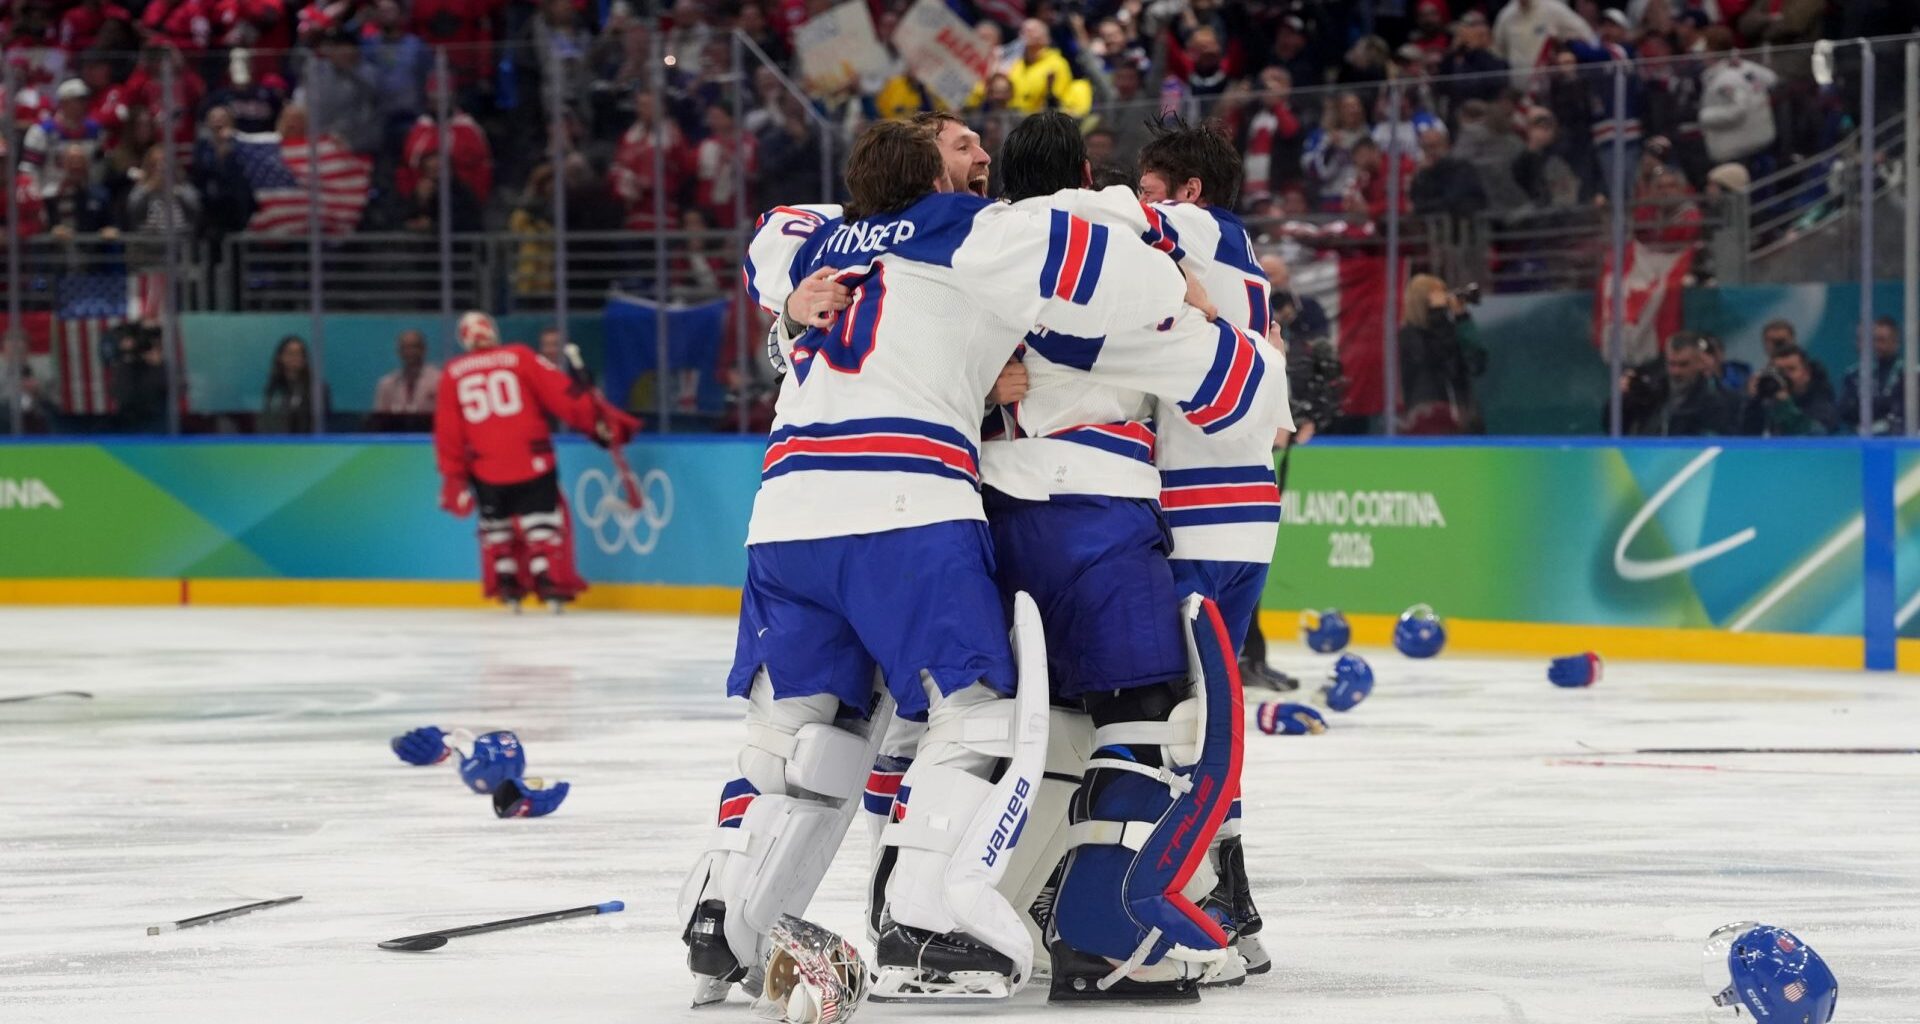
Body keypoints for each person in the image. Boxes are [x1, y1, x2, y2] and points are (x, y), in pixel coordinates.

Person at [692, 118, 1235, 1009]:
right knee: (978, 716)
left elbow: (770, 248)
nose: (982, 164)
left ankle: (722, 921)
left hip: (785, 511)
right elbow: (1126, 280)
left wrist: (790, 309)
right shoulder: (976, 232)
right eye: (963, 150)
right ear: (932, 178)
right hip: (907, 502)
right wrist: (1168, 268)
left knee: (796, 737)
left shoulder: (814, 234)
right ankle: (926, 919)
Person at [432, 311, 637, 609]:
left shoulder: (453, 372)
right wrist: (598, 422)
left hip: (485, 465)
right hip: (531, 458)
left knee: (497, 528)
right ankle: (548, 580)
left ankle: (506, 581)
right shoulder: (519, 357)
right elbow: (562, 395)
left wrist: (454, 476)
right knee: (541, 526)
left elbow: (448, 430)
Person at [1398, 273, 1486, 434]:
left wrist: (1462, 318)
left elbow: (1477, 363)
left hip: (1463, 415)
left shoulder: (1451, 330)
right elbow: (1439, 360)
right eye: (1438, 293)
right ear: (1422, 299)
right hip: (1428, 419)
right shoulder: (1408, 335)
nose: (1445, 297)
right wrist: (1437, 316)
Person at [1616, 330, 1737, 436]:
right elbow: (1614, 425)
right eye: (1671, 364)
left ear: (1700, 362)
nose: (1676, 371)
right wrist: (1625, 399)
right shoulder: (1653, 390)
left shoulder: (1715, 399)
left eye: (1683, 364)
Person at [1739, 344, 1838, 437]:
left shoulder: (1822, 402)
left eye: (1791, 369)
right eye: (1779, 370)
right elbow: (1742, 437)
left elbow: (1817, 434)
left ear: (1806, 374)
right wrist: (1753, 403)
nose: (1785, 375)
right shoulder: (1765, 402)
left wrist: (1785, 406)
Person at [1839, 317, 1904, 436]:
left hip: (1896, 440)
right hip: (1860, 439)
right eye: (1874, 340)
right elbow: (1845, 411)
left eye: (1882, 340)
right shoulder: (1855, 375)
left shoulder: (1908, 375)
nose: (1877, 346)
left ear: (1895, 342)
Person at [369, 329, 440, 432]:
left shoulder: (439, 381)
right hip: (395, 441)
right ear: (399, 352)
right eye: (405, 348)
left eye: (414, 347)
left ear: (424, 349)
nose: (410, 352)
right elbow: (378, 422)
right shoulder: (386, 384)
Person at [259, 335, 329, 433]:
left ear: (305, 359)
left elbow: (321, 421)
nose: (294, 357)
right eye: (290, 353)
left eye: (299, 353)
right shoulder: (273, 388)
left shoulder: (316, 389)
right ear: (280, 357)